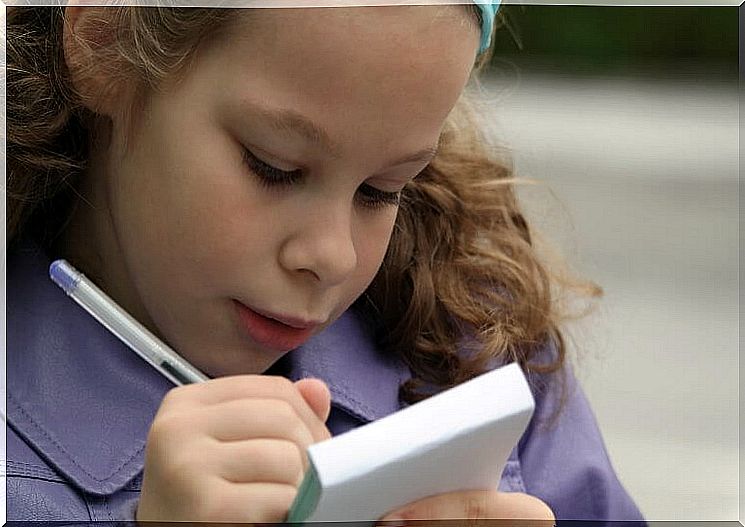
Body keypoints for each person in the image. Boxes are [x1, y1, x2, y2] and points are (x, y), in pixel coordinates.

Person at [5, 2, 646, 523]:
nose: (332, 257)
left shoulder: (473, 347)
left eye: (384, 189)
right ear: (104, 44)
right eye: (275, 167)